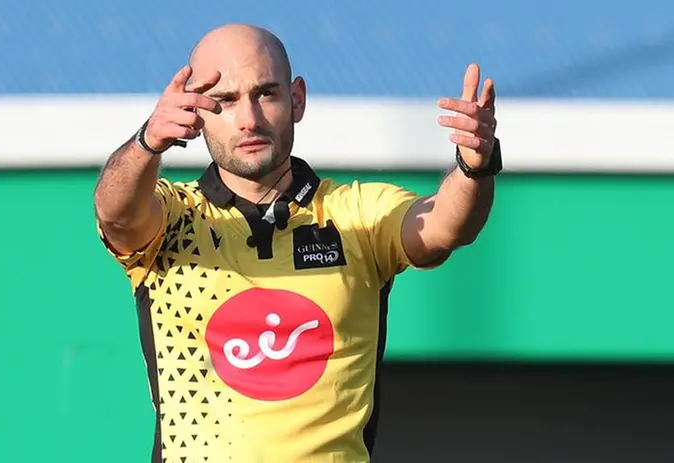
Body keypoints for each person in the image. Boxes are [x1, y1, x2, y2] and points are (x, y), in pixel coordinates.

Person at [94, 23, 501, 463]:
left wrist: (474, 166)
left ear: (297, 99)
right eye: (226, 100)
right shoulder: (173, 217)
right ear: (198, 111)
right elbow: (114, 213)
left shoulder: (356, 215)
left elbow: (445, 226)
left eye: (266, 94)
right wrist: (147, 142)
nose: (248, 118)